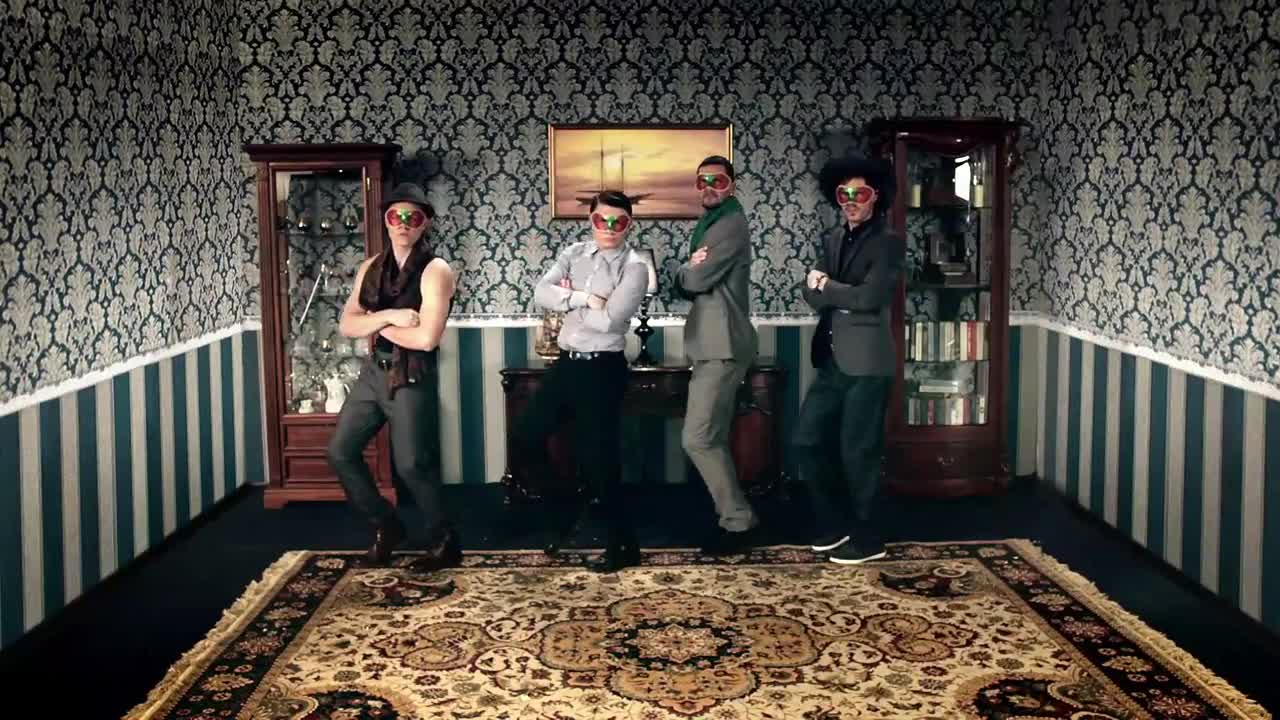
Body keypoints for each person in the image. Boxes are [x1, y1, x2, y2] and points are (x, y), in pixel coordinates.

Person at [515, 190, 649, 573]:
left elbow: (610, 322)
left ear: (629, 225)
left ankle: (623, 545)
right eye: (601, 220)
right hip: (567, 364)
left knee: (598, 460)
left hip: (603, 369)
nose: (609, 228)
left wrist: (569, 299)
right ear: (590, 220)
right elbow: (541, 292)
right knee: (526, 435)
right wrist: (585, 299)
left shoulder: (635, 268)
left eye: (619, 222)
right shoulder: (573, 253)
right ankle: (565, 506)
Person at [327, 182, 459, 570]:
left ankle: (444, 541)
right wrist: (390, 316)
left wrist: (373, 323)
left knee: (413, 465)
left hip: (412, 372)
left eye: (412, 217)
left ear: (424, 224)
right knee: (340, 451)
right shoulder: (370, 267)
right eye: (395, 216)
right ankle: (387, 526)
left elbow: (426, 339)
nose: (403, 223)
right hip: (375, 371)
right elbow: (347, 326)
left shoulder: (436, 270)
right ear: (385, 221)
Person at [795, 155, 904, 564]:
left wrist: (827, 286)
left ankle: (869, 539)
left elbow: (870, 298)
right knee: (807, 440)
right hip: (831, 358)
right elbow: (809, 292)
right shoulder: (833, 238)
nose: (851, 200)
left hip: (868, 362)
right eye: (844, 194)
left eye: (860, 193)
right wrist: (832, 289)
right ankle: (835, 525)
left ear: (876, 196)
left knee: (859, 452)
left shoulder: (888, 242)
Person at [674, 155, 760, 555]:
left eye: (718, 181)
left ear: (732, 185)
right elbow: (692, 276)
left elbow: (695, 280)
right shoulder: (712, 223)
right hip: (714, 343)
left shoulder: (729, 224)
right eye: (702, 181)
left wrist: (684, 269)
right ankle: (735, 520)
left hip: (722, 344)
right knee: (712, 437)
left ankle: (738, 521)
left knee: (697, 438)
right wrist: (688, 268)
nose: (709, 187)